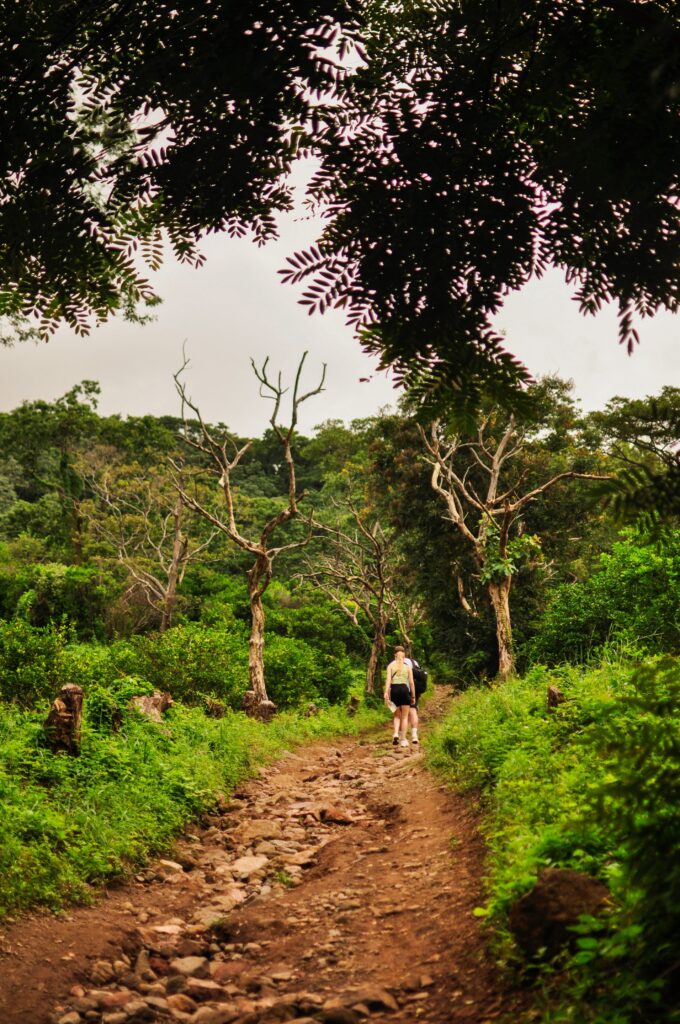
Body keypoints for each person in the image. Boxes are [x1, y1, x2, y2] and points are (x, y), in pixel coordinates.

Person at [384, 645, 416, 748]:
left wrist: (386, 692)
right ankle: (403, 739)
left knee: (396, 716)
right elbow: (411, 683)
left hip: (394, 691)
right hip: (404, 690)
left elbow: (388, 680)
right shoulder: (407, 667)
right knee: (405, 717)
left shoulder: (390, 666)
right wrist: (413, 696)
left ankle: (395, 734)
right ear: (404, 656)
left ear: (395, 655)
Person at [404, 653, 424, 746]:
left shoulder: (396, 663)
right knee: (413, 710)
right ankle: (414, 735)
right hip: (415, 689)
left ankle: (402, 737)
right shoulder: (414, 662)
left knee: (402, 713)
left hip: (403, 688)